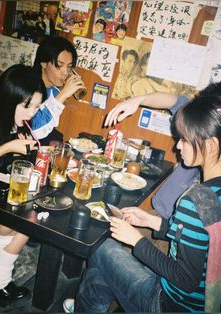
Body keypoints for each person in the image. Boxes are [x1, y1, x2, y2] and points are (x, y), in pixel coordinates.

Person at [63, 83, 221, 312]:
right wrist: (152, 222)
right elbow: (203, 240)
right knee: (102, 270)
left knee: (100, 247)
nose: (177, 146)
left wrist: (136, 239)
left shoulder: (195, 200)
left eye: (185, 139)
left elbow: (186, 280)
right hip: (201, 304)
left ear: (211, 145)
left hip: (168, 304)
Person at [0, 64, 44, 307]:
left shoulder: (11, 120)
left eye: (37, 107)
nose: (31, 113)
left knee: (32, 216)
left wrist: (22, 151)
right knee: (21, 218)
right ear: (10, 98)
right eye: (27, 106)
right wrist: (9, 147)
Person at [104, 92, 200, 218]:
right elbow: (176, 102)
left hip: (174, 226)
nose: (177, 146)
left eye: (185, 140)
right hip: (160, 216)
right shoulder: (201, 119)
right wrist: (139, 99)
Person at [31, 36, 86, 145]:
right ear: (43, 63)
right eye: (59, 65)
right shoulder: (28, 86)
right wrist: (63, 95)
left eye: (69, 67)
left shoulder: (55, 92)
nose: (65, 72)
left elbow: (48, 129)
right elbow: (34, 131)